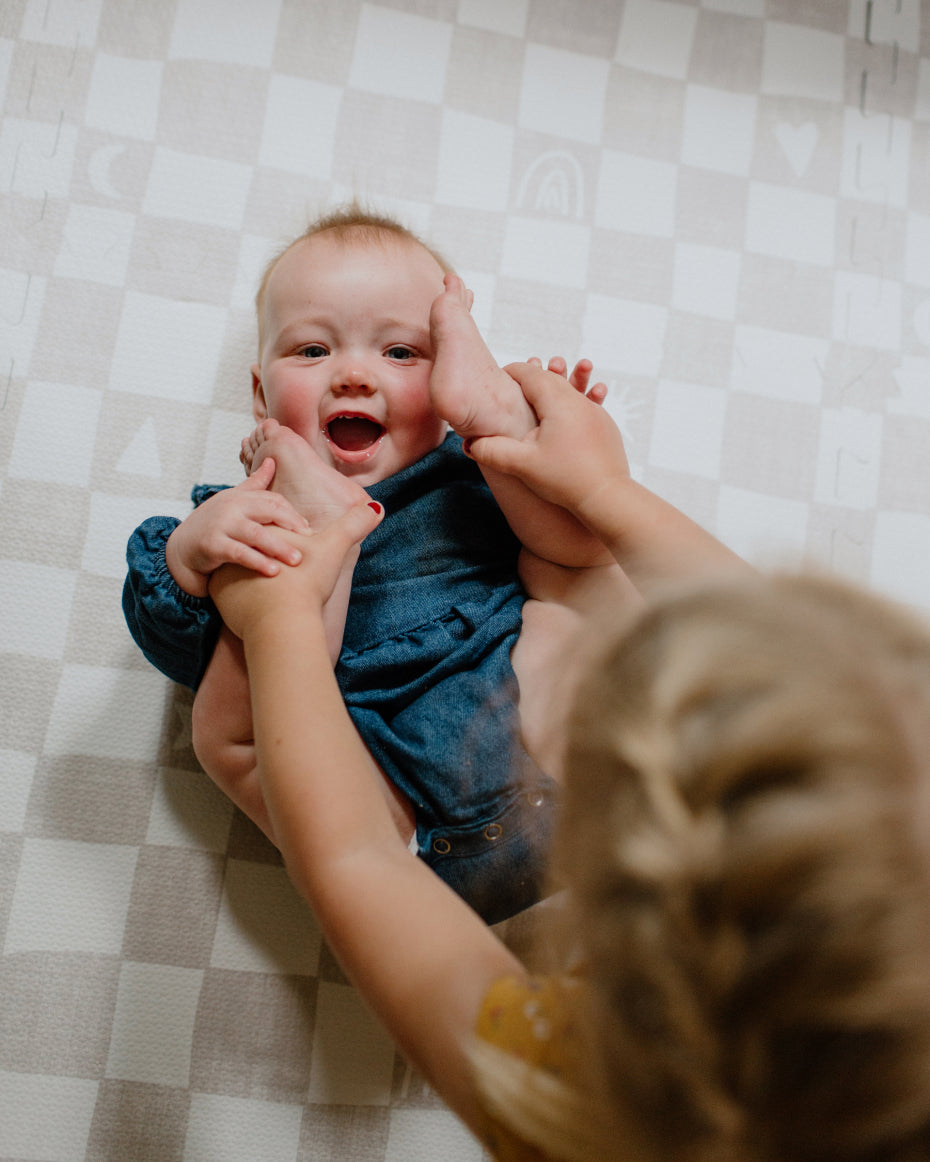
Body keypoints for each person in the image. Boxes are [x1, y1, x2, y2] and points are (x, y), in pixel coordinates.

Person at [209, 361, 930, 1162]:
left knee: (232, 742)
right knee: (585, 600)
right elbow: (355, 864)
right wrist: (600, 494)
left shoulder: (584, 1104)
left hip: (435, 836)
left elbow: (358, 859)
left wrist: (280, 625)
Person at [122, 205, 635, 924]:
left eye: (402, 353)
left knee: (571, 581)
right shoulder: (248, 510)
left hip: (552, 748)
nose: (355, 375)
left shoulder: (471, 475)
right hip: (403, 824)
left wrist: (516, 451)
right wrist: (188, 553)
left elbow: (575, 552)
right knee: (234, 719)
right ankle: (320, 543)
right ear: (261, 394)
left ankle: (508, 422)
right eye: (311, 352)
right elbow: (175, 651)